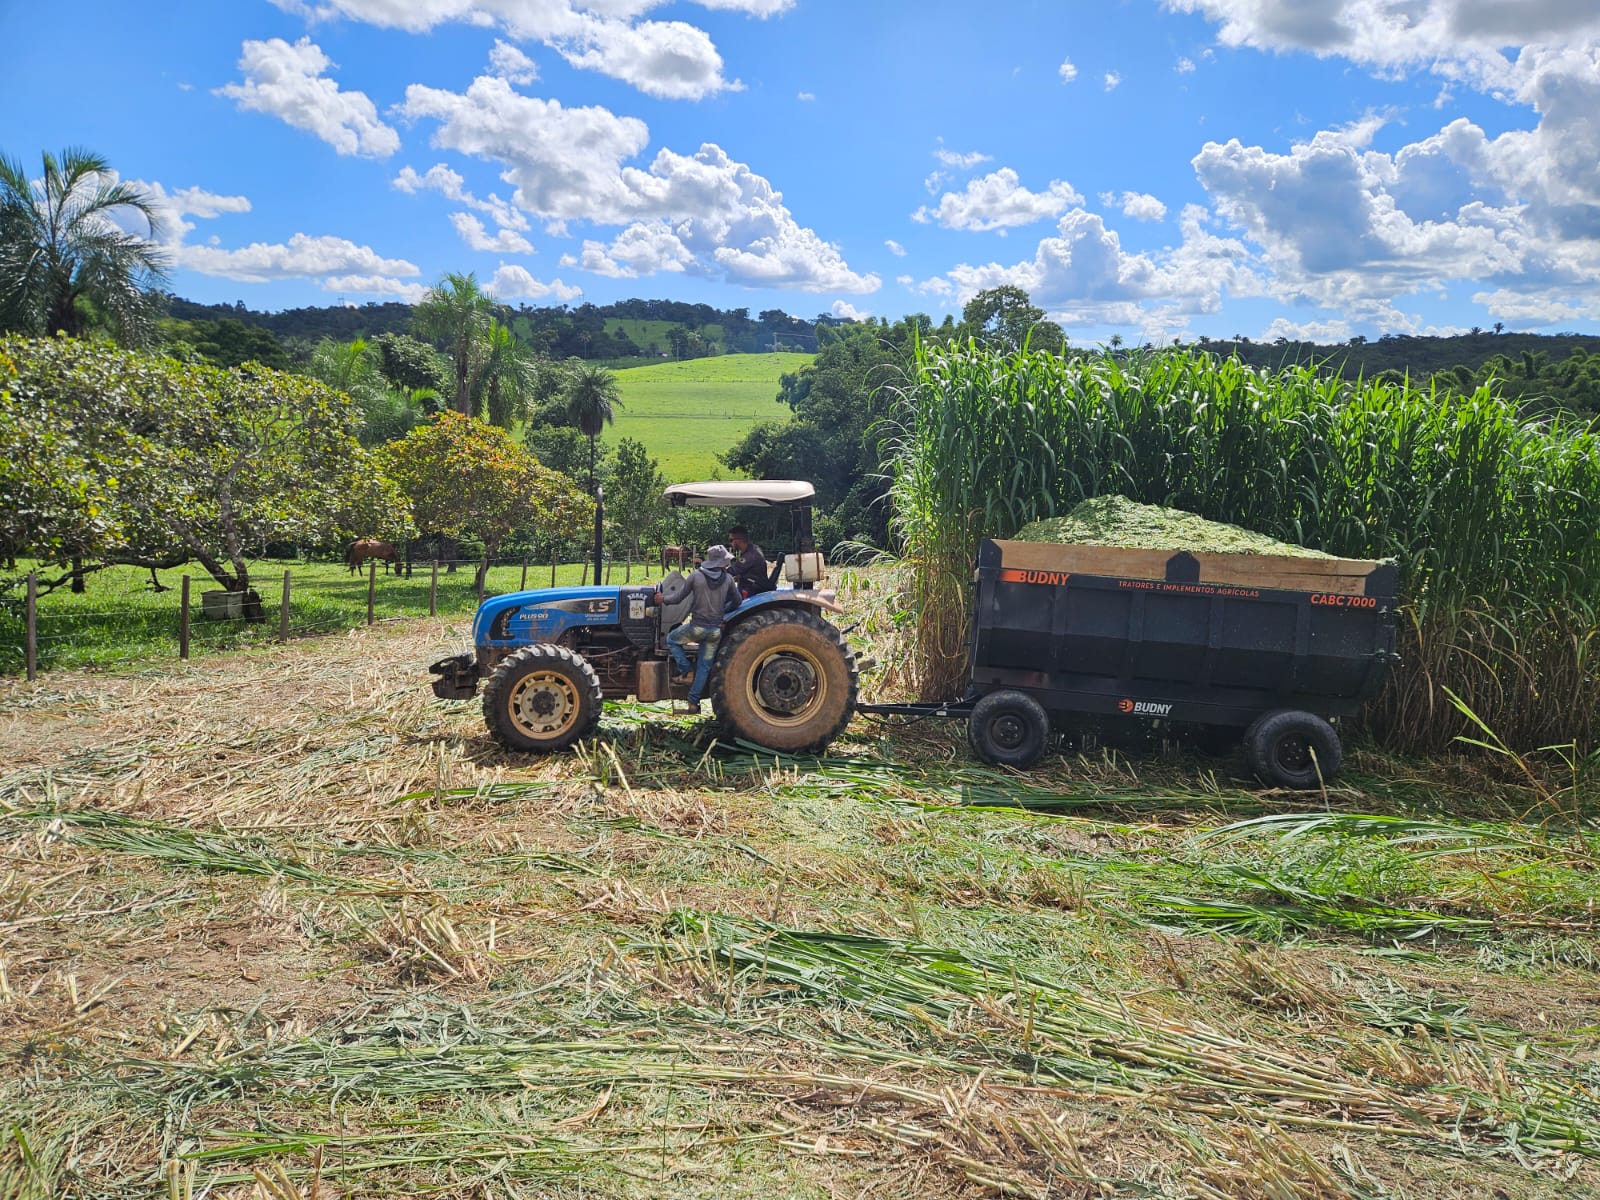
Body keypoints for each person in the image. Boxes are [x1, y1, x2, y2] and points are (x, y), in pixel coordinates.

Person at [655, 544, 741, 712]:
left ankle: (685, 669)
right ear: (721, 563)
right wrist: (722, 611)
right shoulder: (728, 579)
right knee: (704, 667)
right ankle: (693, 703)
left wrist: (662, 598)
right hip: (715, 632)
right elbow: (737, 601)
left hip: (697, 628)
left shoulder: (696, 576)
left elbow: (678, 598)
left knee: (672, 639)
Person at [727, 525, 771, 597]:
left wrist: (716, 572)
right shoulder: (753, 548)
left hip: (751, 590)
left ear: (739, 540)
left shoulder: (750, 555)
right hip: (752, 586)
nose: (730, 543)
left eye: (731, 540)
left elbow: (732, 571)